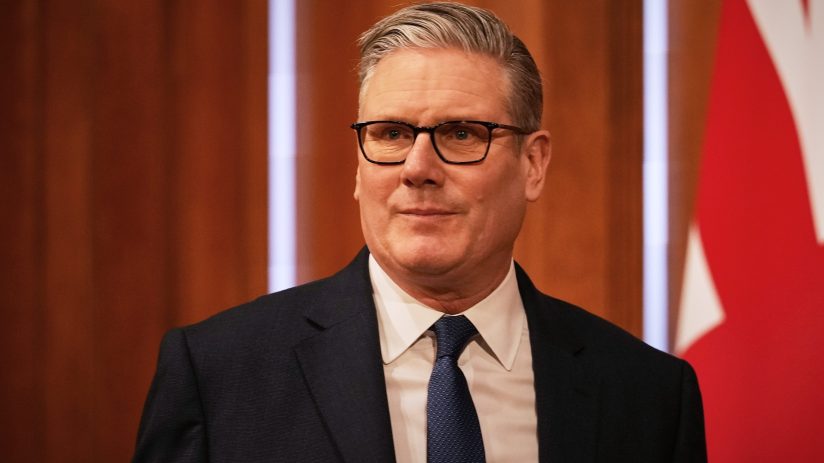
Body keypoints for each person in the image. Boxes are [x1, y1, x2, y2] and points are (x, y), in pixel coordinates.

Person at [132, 2, 707, 462]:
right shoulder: (219, 375)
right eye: (390, 134)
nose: (417, 168)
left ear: (533, 164)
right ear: (358, 165)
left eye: (461, 134)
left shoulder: (649, 395)